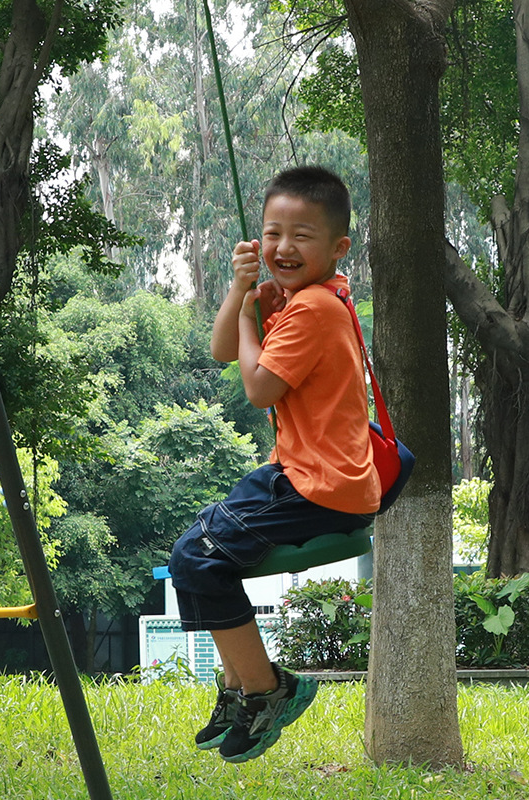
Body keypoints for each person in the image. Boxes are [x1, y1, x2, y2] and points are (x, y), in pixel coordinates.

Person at [168, 165, 380, 763]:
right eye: (273, 234)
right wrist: (240, 294)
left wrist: (247, 317)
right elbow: (221, 351)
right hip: (298, 473)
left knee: (197, 556)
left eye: (301, 236)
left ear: (337, 247)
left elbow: (258, 387)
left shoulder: (313, 308)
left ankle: (267, 690)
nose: (283, 247)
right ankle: (241, 688)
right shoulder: (299, 298)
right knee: (192, 554)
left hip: (322, 485)